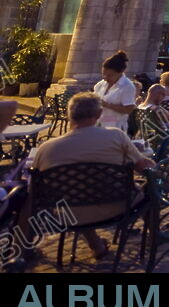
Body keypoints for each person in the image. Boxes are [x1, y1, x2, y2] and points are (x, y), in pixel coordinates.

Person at [29, 92, 155, 260]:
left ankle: (95, 244)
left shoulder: (46, 149)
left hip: (67, 214)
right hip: (118, 207)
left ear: (69, 115)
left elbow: (35, 189)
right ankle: (154, 235)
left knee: (75, 192)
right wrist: (154, 165)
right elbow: (142, 167)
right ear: (98, 115)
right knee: (150, 189)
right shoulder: (116, 136)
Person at [93, 50, 138, 132]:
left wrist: (107, 105)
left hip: (115, 126)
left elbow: (128, 109)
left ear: (120, 72)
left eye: (110, 75)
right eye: (104, 74)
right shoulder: (101, 84)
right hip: (98, 124)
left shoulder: (127, 86)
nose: (105, 77)